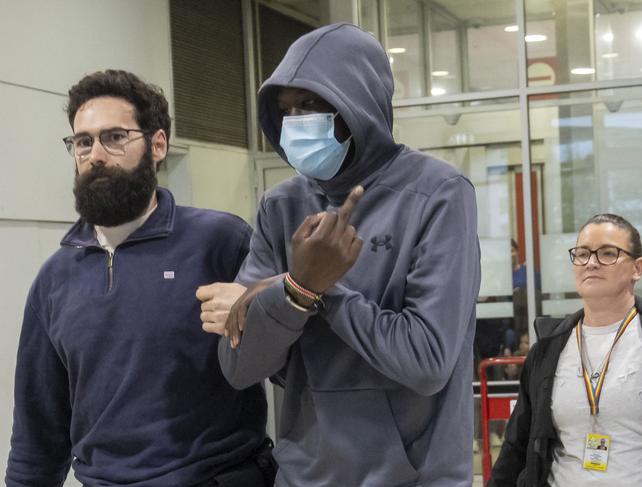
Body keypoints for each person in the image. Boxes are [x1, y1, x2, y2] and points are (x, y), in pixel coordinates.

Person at [198, 23, 481, 486]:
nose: (296, 122)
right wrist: (296, 291)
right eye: (286, 110)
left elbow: (427, 361)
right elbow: (240, 365)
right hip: (304, 474)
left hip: (414, 477)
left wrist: (318, 291)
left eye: (312, 105)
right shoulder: (282, 205)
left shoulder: (438, 194)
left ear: (361, 103)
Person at [6, 70, 273, 487]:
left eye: (115, 137)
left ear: (158, 146)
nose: (95, 154)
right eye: (83, 141)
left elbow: (287, 362)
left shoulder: (220, 241)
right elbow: (37, 431)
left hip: (217, 476)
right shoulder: (55, 278)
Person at [489, 214, 642, 486]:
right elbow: (517, 445)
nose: (591, 263)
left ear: (637, 268)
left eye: (608, 253)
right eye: (582, 254)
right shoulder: (549, 349)